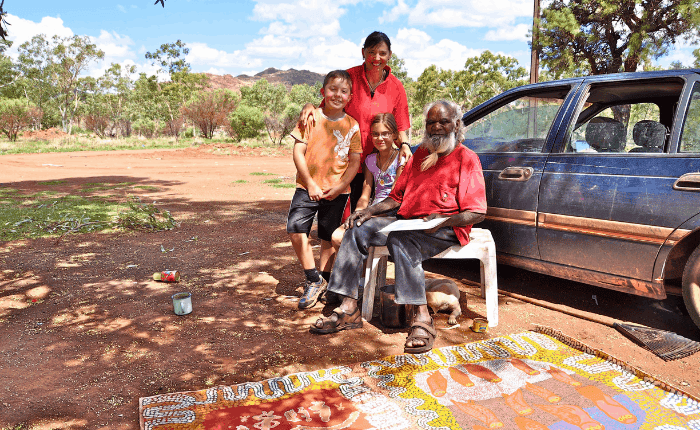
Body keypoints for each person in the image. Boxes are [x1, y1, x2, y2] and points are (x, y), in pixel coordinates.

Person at [309, 100, 487, 355]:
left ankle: (422, 319)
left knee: (402, 242)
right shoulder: (420, 155)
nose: (436, 127)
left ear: (456, 125)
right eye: (431, 122)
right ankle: (349, 308)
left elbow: (477, 212)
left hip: (444, 228)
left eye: (443, 122)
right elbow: (397, 198)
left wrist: (443, 220)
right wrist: (367, 211)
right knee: (357, 228)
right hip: (407, 222)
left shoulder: (467, 158)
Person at [299, 31, 412, 213]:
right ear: (363, 52)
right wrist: (308, 106)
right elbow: (327, 107)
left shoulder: (396, 87)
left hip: (378, 164)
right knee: (344, 215)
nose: (377, 58)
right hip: (345, 163)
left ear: (389, 55)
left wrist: (405, 145)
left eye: (382, 53)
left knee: (377, 213)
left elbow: (399, 126)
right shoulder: (349, 77)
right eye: (371, 52)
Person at [286, 70, 362, 310]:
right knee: (296, 229)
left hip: (337, 192)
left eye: (343, 91)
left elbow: (355, 161)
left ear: (350, 96)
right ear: (323, 93)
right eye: (332, 89)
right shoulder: (311, 118)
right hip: (307, 188)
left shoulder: (352, 125)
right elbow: (298, 152)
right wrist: (310, 183)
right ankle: (313, 279)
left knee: (327, 237)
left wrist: (340, 187)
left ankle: (326, 282)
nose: (337, 95)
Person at [330, 112, 405, 251]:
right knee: (336, 236)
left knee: (353, 236)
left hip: (392, 213)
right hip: (371, 211)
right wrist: (358, 213)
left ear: (395, 135)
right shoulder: (370, 160)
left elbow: (395, 198)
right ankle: (361, 272)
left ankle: (360, 272)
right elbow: (366, 194)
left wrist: (368, 214)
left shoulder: (401, 159)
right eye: (375, 134)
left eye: (385, 133)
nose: (380, 138)